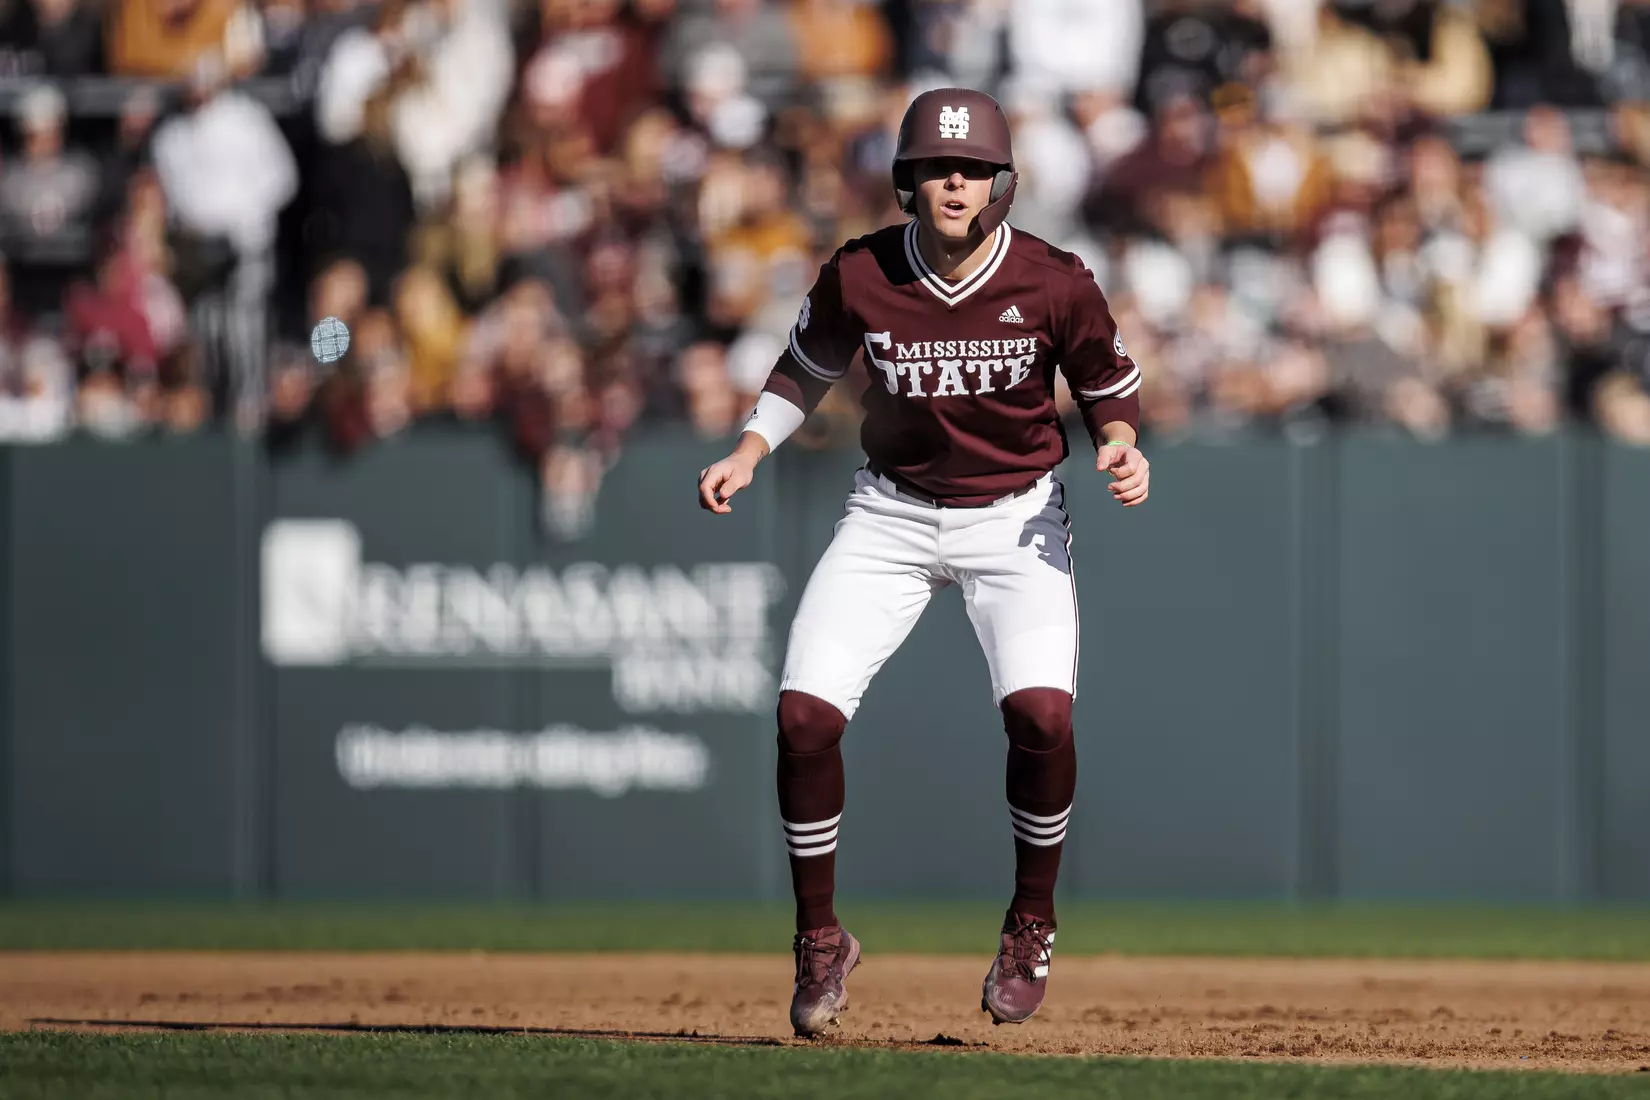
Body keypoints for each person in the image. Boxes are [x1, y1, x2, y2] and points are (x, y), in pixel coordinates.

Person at [695, 87, 1151, 1036]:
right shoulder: (863, 273)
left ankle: (1033, 919)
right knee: (803, 718)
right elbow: (805, 367)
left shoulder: (1053, 278)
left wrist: (1120, 441)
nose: (956, 181)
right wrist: (749, 448)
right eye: (939, 167)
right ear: (908, 178)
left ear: (1001, 182)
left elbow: (1111, 384)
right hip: (891, 512)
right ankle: (819, 939)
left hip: (1015, 518)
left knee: (1042, 714)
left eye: (973, 168)